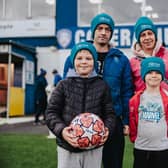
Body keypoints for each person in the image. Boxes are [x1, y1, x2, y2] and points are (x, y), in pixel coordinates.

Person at [63, 13, 133, 168]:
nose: (103, 32)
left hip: (113, 121)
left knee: (113, 164)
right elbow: (66, 90)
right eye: (99, 28)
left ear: (111, 33)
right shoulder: (77, 56)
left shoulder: (121, 59)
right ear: (93, 31)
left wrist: (126, 121)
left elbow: (126, 92)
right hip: (84, 122)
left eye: (107, 29)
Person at [45, 41, 116, 168]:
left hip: (94, 148)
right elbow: (51, 113)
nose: (84, 62)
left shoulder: (102, 86)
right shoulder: (63, 85)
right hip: (67, 147)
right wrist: (62, 131)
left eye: (88, 58)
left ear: (94, 62)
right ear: (73, 61)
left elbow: (110, 113)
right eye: (79, 58)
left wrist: (107, 130)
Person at [129, 57, 168, 168]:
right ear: (144, 75)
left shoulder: (166, 98)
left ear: (162, 76)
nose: (154, 76)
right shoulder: (135, 99)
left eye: (157, 73)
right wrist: (135, 138)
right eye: (150, 72)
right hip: (141, 147)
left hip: (162, 148)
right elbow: (133, 121)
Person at [130, 16, 168, 93]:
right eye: (143, 35)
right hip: (142, 104)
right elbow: (129, 88)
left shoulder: (166, 55)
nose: (147, 38)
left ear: (155, 35)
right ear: (138, 39)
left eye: (150, 33)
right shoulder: (132, 62)